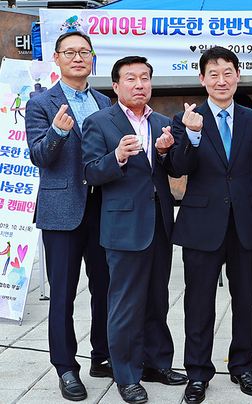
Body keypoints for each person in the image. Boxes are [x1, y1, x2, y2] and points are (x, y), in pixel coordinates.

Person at [81, 56, 187, 404]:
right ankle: (126, 374)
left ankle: (157, 363)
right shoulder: (99, 122)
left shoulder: (162, 122)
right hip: (123, 224)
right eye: (131, 78)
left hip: (159, 221)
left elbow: (172, 170)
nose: (139, 84)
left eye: (145, 78)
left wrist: (167, 153)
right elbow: (90, 172)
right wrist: (118, 156)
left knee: (158, 298)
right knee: (125, 303)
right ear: (116, 86)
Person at [170, 46, 252, 404]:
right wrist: (192, 135)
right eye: (213, 74)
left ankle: (243, 367)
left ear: (238, 76)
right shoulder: (186, 118)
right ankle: (197, 373)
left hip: (244, 226)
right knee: (198, 303)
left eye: (228, 73)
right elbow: (178, 167)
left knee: (245, 301)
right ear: (202, 79)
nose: (221, 80)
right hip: (201, 225)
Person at [25, 30, 112, 402]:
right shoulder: (40, 103)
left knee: (106, 288)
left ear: (92, 58)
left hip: (104, 207)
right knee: (62, 294)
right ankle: (65, 368)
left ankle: (103, 357)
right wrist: (58, 133)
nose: (78, 58)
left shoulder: (105, 101)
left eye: (84, 52)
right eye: (70, 52)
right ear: (57, 59)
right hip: (62, 210)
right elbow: (39, 157)